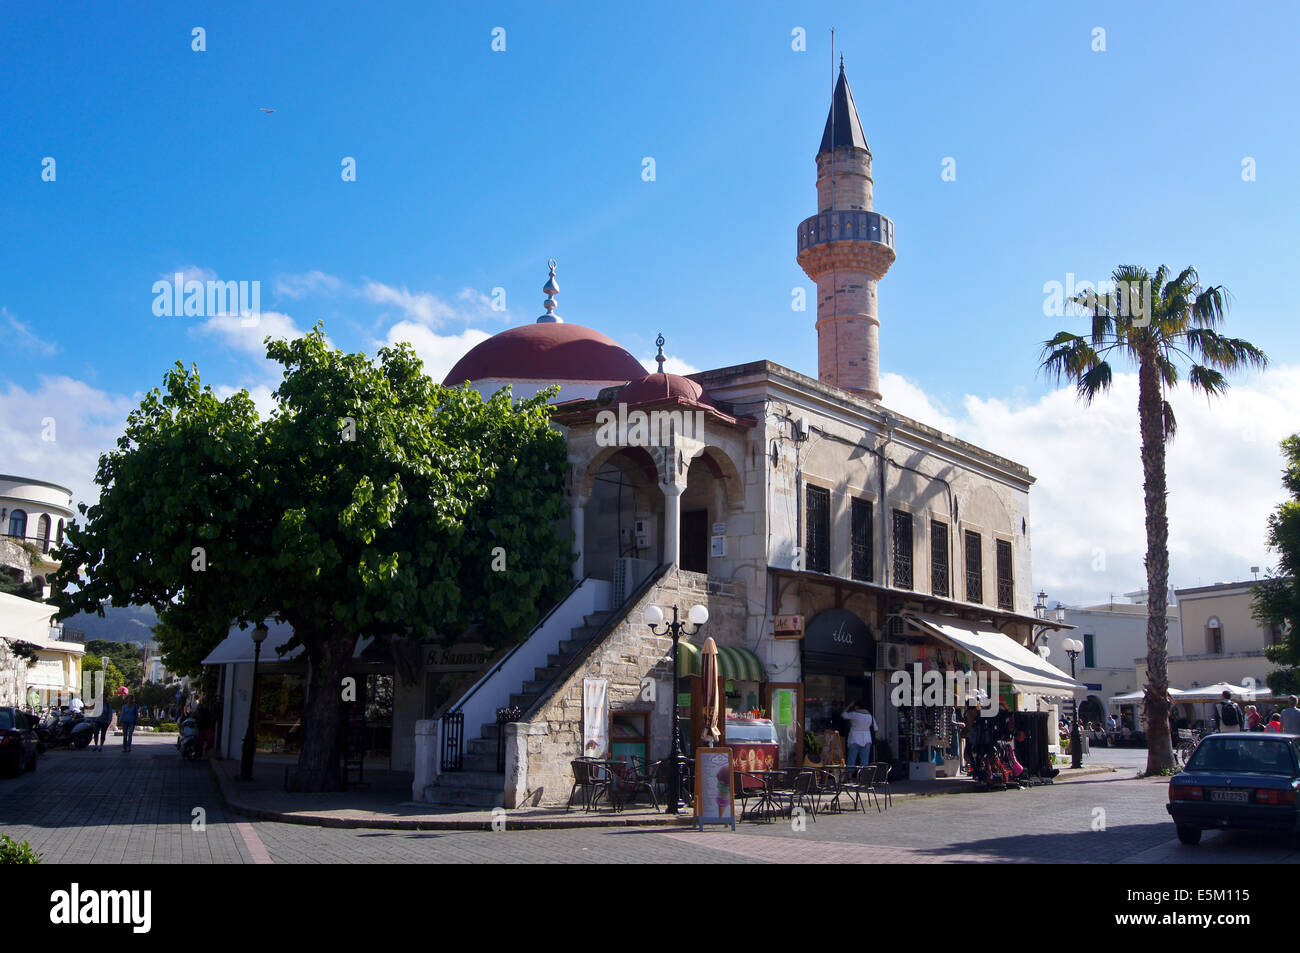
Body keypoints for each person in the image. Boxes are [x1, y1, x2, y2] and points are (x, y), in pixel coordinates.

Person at [841, 699, 877, 767]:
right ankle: (863, 776)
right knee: (864, 762)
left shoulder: (854, 714)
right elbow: (876, 728)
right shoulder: (870, 716)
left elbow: (843, 714)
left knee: (851, 760)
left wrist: (849, 706)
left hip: (854, 738)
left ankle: (849, 776)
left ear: (857, 707)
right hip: (867, 739)